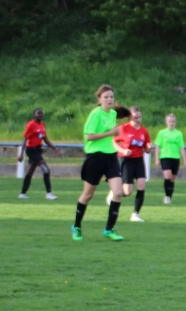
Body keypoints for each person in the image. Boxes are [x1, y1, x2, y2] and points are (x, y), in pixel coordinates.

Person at [72, 85, 128, 242]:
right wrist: (111, 133)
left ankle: (109, 229)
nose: (110, 99)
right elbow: (89, 136)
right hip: (95, 157)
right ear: (99, 99)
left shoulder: (113, 114)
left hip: (110, 157)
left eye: (111, 96)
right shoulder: (95, 114)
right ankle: (76, 226)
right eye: (106, 97)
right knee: (88, 195)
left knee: (118, 192)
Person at [110, 107, 152, 222]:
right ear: (130, 117)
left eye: (140, 117)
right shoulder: (123, 128)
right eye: (136, 117)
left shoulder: (144, 131)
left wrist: (149, 148)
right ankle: (115, 193)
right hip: (126, 160)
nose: (138, 119)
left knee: (141, 186)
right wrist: (123, 150)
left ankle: (135, 214)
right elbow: (113, 141)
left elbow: (147, 148)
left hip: (139, 160)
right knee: (128, 192)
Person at [18, 108, 61, 200]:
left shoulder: (42, 124)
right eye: (38, 113)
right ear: (34, 115)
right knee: (46, 169)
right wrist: (21, 154)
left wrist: (55, 148)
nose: (40, 115)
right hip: (31, 150)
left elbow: (45, 139)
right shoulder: (31, 125)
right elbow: (25, 139)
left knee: (30, 172)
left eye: (41, 113)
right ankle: (49, 193)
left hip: (38, 150)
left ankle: (22, 194)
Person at [154, 113, 186, 204]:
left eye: (173, 122)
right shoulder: (162, 133)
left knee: (172, 179)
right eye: (169, 121)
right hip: (165, 157)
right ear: (166, 122)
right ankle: (167, 197)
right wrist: (156, 159)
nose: (171, 123)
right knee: (168, 176)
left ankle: (169, 195)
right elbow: (157, 147)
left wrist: (184, 159)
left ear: (175, 122)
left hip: (175, 157)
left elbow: (181, 147)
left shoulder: (179, 133)